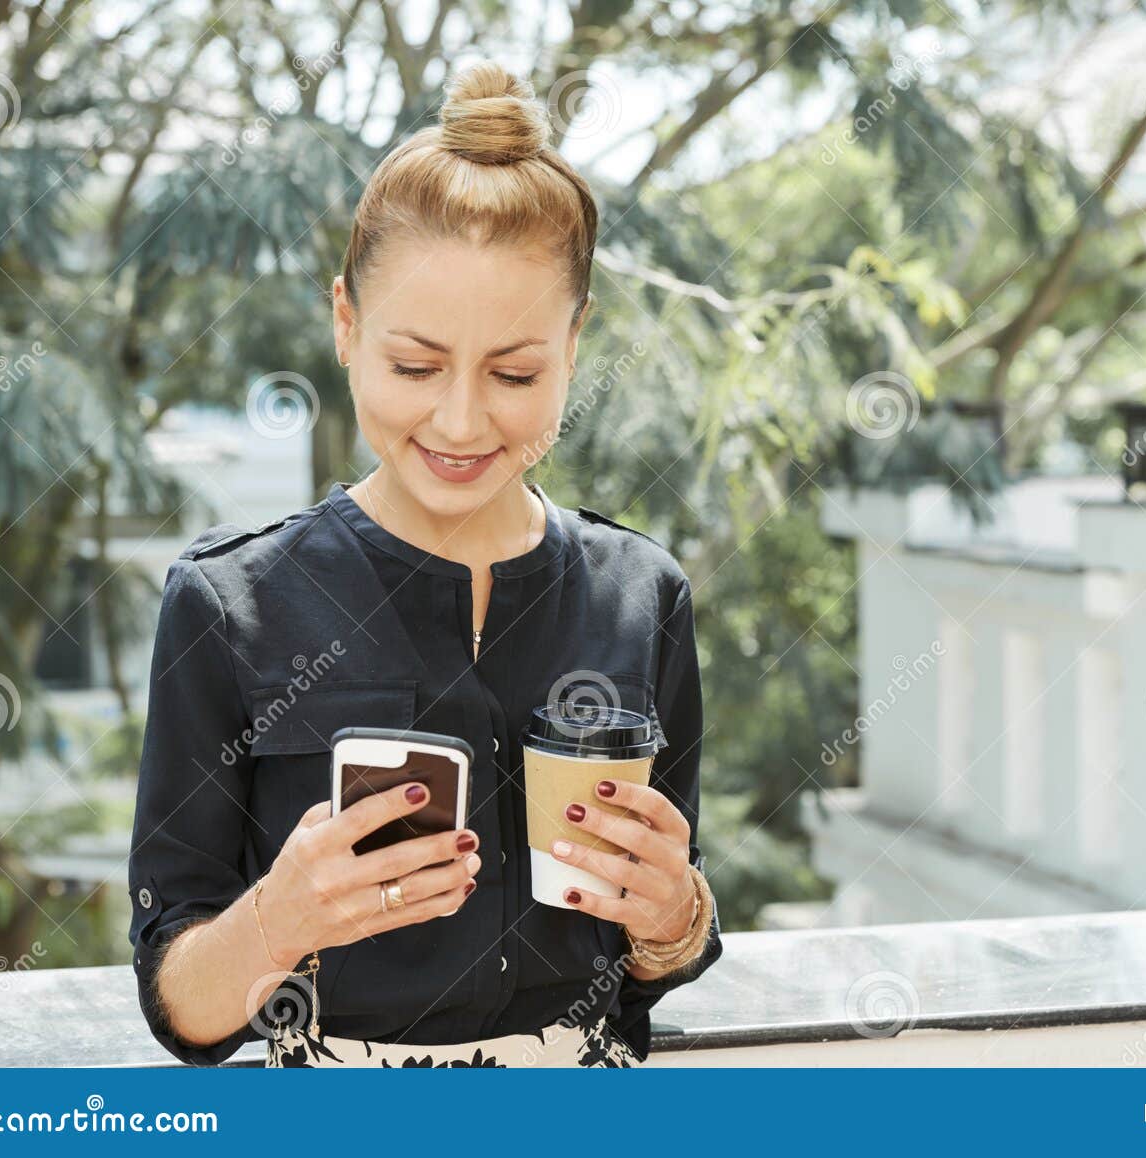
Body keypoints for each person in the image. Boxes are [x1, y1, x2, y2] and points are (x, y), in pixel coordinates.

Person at [126, 60, 721, 1068]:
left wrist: (676, 915)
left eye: (515, 372)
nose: (457, 420)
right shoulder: (229, 606)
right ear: (345, 326)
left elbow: (660, 952)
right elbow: (179, 1004)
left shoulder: (643, 596)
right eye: (414, 366)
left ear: (574, 346)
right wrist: (280, 918)